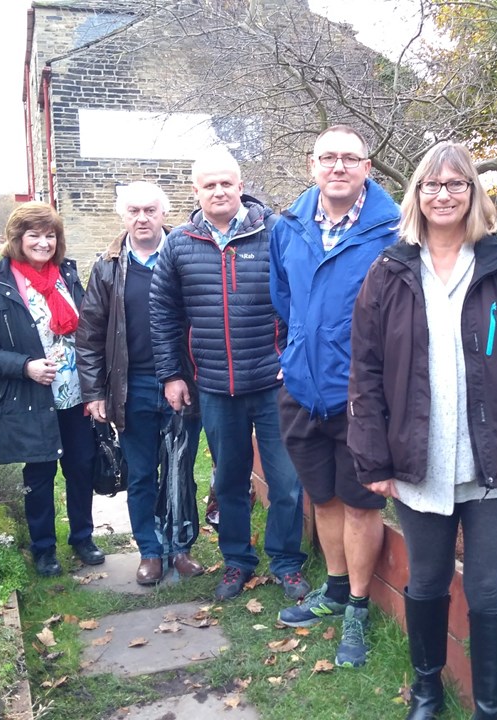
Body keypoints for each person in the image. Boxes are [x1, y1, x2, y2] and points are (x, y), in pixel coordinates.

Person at [347, 142, 497, 719]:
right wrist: (375, 460)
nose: (443, 195)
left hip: (492, 461)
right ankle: (427, 691)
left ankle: (491, 707)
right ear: (417, 195)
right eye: (431, 186)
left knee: (490, 589)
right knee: (428, 582)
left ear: (474, 194)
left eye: (456, 185)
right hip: (419, 460)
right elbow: (365, 373)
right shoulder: (390, 272)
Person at [150, 148, 309, 602]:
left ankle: (287, 562)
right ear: (195, 191)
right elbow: (163, 314)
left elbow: (302, 299)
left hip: (274, 383)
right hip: (215, 386)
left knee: (286, 481)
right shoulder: (179, 242)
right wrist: (172, 375)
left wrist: (293, 361)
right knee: (230, 482)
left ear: (240, 186)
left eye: (226, 183)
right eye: (209, 185)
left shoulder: (275, 232)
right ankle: (237, 561)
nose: (219, 191)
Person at [269, 125, 399, 668]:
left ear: (367, 168)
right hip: (301, 391)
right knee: (322, 497)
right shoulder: (289, 227)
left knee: (362, 502)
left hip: (361, 397)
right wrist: (298, 353)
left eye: (350, 158)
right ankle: (337, 589)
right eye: (329, 158)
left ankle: (358, 610)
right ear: (312, 165)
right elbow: (285, 298)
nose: (338, 166)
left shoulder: (393, 233)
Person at [77, 182, 204, 587]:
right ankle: (150, 550)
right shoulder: (108, 267)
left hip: (183, 382)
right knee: (142, 473)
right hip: (131, 387)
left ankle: (180, 547)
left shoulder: (185, 256)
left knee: (181, 468)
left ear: (164, 214)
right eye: (134, 211)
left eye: (150, 210)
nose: (142, 218)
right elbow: (90, 333)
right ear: (123, 216)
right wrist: (94, 392)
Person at [0, 202, 104, 577]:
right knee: (39, 475)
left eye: (50, 235)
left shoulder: (67, 276)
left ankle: (82, 537)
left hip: (75, 394)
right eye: (34, 235)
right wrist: (25, 367)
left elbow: (88, 330)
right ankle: (44, 548)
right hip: (30, 398)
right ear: (17, 238)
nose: (43, 243)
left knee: (80, 467)